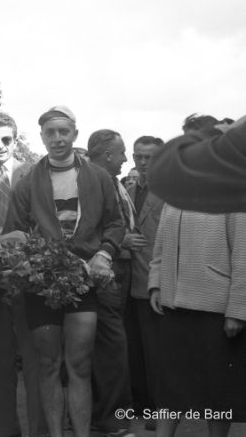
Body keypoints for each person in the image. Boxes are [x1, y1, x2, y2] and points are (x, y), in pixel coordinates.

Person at [6, 106, 124, 437]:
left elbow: (115, 224)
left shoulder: (98, 177)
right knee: (48, 364)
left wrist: (104, 254)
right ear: (41, 137)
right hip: (41, 285)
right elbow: (14, 232)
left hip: (84, 282)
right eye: (50, 133)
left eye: (63, 131)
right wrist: (30, 258)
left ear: (74, 133)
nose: (57, 138)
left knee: (80, 365)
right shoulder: (27, 183)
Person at [0, 112, 47, 437]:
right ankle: (5, 429)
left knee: (36, 361)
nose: (0, 146)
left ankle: (40, 431)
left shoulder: (34, 175)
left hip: (30, 280)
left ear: (15, 141)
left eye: (6, 139)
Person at [148, 205, 246, 437]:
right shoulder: (174, 195)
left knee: (217, 392)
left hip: (215, 309)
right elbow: (160, 244)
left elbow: (243, 253)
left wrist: (238, 309)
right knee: (169, 387)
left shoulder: (231, 195)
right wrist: (156, 283)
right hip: (173, 308)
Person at [87, 129, 133, 437]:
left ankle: (104, 416)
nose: (125, 158)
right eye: (121, 152)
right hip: (103, 273)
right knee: (111, 346)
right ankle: (113, 420)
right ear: (106, 154)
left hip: (117, 270)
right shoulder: (92, 181)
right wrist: (118, 243)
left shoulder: (111, 181)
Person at [124, 136, 164, 424]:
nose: (142, 162)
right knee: (135, 348)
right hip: (129, 280)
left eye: (149, 157)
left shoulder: (171, 193)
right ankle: (141, 404)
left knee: (156, 351)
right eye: (138, 156)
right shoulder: (127, 191)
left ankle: (159, 408)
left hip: (156, 280)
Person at [147, 115, 246, 213]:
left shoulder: (226, 179)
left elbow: (162, 173)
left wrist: (224, 129)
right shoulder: (178, 191)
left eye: (195, 141)